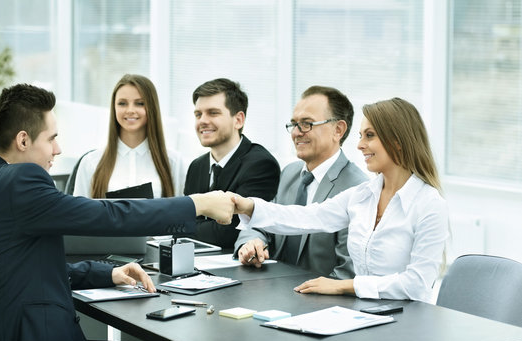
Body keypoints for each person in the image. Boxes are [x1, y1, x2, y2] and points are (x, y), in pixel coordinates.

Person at [0, 83, 234, 341]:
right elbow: (108, 215)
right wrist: (198, 204)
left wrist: (108, 273)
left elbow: (28, 269)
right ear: (24, 140)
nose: (58, 149)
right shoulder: (19, 181)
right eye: (51, 138)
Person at [235, 97, 449, 303]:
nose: (360, 145)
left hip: (406, 319)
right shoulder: (363, 195)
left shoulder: (429, 205)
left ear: (398, 141)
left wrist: (344, 286)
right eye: (360, 136)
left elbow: (417, 284)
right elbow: (308, 217)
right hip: (362, 312)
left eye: (370, 135)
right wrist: (247, 206)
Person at [234, 86, 367, 279]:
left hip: (318, 299)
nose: (296, 133)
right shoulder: (290, 173)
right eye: (293, 124)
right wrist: (252, 242)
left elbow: (347, 272)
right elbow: (263, 222)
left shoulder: (357, 187)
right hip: (270, 287)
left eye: (306, 124)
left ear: (338, 130)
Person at [184, 78, 280, 249]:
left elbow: (230, 233)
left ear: (238, 120)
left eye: (213, 113)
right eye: (198, 114)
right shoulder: (196, 166)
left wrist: (184, 227)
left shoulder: (261, 164)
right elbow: (182, 222)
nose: (202, 121)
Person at [74, 74, 186, 198]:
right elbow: (79, 214)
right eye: (122, 103)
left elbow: (183, 213)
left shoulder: (173, 161)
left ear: (152, 107)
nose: (130, 110)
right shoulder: (91, 162)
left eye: (139, 103)